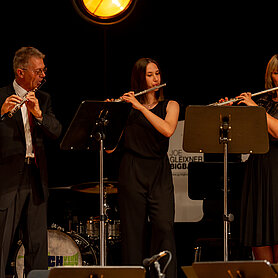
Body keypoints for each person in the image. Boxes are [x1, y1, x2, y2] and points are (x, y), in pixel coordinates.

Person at [108, 58, 179, 277]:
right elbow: (109, 149)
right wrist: (114, 114)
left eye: (157, 73)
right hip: (132, 170)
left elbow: (167, 130)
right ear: (140, 78)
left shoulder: (170, 105)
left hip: (158, 171)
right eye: (150, 75)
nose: (156, 78)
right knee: (133, 233)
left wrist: (140, 107)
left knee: (164, 227)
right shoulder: (128, 108)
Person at [0, 47, 62, 277]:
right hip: (7, 182)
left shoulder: (44, 99)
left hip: (35, 179)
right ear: (20, 72)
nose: (43, 75)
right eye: (38, 71)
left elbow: (56, 132)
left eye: (44, 70)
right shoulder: (1, 96)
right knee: (3, 245)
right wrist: (2, 114)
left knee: (37, 247)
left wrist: (39, 115)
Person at [235, 54, 278, 263]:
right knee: (258, 234)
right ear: (271, 76)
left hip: (277, 172)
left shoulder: (258, 106)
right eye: (277, 73)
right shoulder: (262, 102)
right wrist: (231, 112)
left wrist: (254, 108)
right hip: (258, 171)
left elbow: (277, 131)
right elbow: (241, 138)